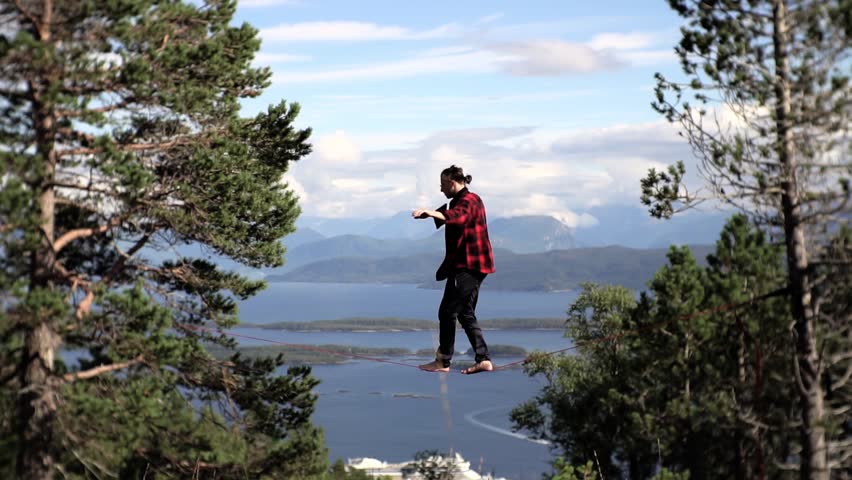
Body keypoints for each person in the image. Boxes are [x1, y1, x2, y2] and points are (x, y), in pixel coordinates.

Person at [412, 165, 495, 374]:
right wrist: (432, 215)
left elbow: (458, 216)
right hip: (470, 266)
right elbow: (451, 213)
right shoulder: (459, 201)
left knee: (448, 311)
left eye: (442, 185)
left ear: (451, 182)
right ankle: (483, 359)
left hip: (468, 265)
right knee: (465, 313)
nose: (441, 189)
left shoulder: (470, 200)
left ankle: (443, 361)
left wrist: (431, 212)